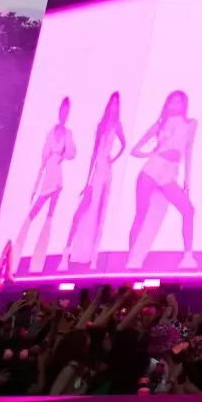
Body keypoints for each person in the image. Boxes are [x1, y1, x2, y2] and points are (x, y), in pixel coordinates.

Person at [126, 91, 198, 270]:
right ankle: (131, 259)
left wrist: (187, 179)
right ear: (167, 105)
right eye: (172, 103)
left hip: (169, 174)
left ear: (184, 105)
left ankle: (187, 257)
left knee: (188, 210)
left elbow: (188, 150)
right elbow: (134, 150)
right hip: (152, 169)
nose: (175, 106)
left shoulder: (190, 124)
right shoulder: (158, 125)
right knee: (141, 215)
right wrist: (152, 153)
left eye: (179, 103)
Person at [63, 92, 125, 272]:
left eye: (116, 104)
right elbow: (93, 153)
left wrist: (113, 159)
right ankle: (74, 252)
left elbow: (124, 144)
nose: (114, 107)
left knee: (100, 211)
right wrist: (87, 180)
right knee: (85, 209)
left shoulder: (116, 124)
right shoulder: (102, 125)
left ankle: (94, 258)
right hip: (96, 169)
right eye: (112, 103)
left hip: (106, 170)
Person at [15, 97, 78, 275]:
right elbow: (43, 159)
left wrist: (63, 155)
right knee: (34, 212)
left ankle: (38, 262)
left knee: (49, 215)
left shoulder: (68, 133)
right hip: (48, 174)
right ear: (59, 112)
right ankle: (16, 255)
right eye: (62, 111)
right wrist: (35, 185)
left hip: (57, 175)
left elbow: (73, 152)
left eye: (67, 112)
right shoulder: (51, 132)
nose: (64, 114)